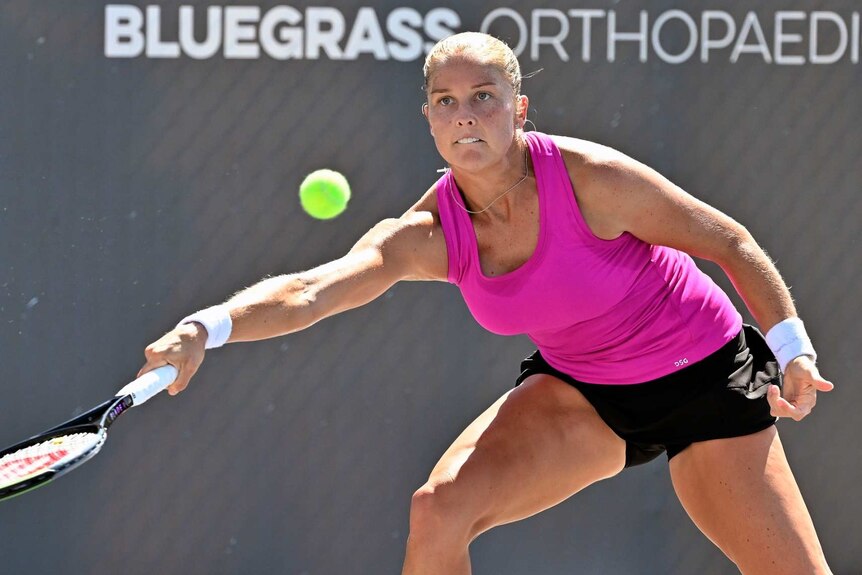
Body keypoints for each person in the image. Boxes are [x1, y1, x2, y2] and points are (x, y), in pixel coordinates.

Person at [139, 32, 834, 574]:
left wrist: (792, 351)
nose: (464, 114)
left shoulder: (590, 178)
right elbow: (308, 292)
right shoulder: (430, 233)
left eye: (483, 96)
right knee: (438, 511)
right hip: (585, 392)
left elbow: (731, 242)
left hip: (707, 378)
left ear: (519, 107)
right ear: (429, 120)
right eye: (446, 100)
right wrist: (205, 326)